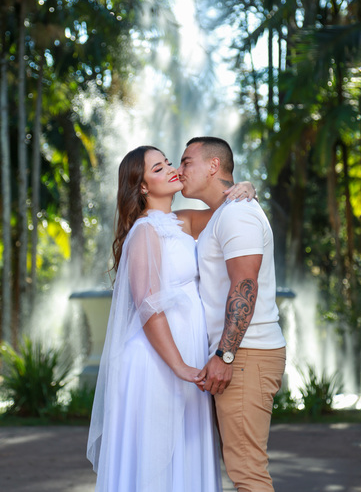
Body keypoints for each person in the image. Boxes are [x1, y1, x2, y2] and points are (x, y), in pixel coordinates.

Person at [87, 146, 255, 491]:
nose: (171, 169)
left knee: (185, 454)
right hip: (157, 362)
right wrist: (179, 366)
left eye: (168, 163)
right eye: (158, 168)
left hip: (187, 356)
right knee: (156, 459)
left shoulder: (183, 222)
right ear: (142, 186)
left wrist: (246, 188)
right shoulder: (144, 231)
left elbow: (229, 211)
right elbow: (148, 306)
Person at [179, 136, 286, 492]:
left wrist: (225, 355)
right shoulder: (222, 215)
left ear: (213, 166)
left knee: (248, 473)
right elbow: (148, 216)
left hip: (244, 354)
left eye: (186, 161)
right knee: (242, 467)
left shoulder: (238, 213)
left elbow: (245, 285)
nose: (180, 170)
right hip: (239, 354)